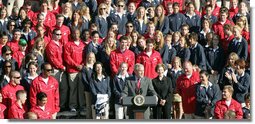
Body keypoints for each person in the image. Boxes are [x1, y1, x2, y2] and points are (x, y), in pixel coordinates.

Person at [63, 29, 86, 112]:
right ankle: (73, 105)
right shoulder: (68, 44)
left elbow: (85, 57)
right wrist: (76, 65)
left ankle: (82, 105)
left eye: (77, 33)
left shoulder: (83, 44)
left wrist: (82, 65)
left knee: (81, 88)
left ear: (79, 34)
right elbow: (67, 57)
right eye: (74, 33)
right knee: (73, 88)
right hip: (72, 70)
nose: (76, 34)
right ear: (72, 34)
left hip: (81, 70)